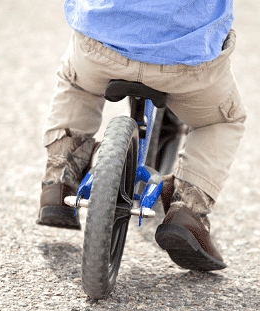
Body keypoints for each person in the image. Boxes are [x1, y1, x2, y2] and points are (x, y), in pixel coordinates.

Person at [37, 0, 247, 271]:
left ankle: (59, 176)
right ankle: (188, 209)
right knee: (220, 122)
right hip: (185, 63)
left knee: (76, 84)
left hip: (102, 47)